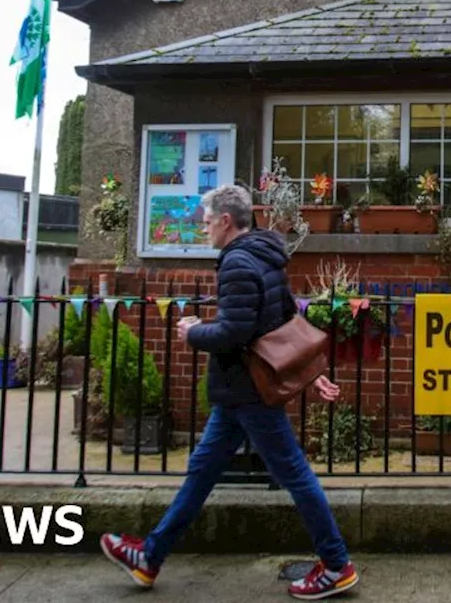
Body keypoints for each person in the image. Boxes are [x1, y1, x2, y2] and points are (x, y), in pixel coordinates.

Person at [101, 184, 359, 600]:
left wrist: (193, 332)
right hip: (238, 394)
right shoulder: (266, 255)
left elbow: (236, 331)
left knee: (293, 473)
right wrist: (311, 373)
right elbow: (284, 317)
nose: (204, 231)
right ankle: (150, 557)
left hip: (248, 392)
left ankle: (336, 564)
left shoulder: (238, 263)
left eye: (206, 223)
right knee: (202, 472)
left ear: (225, 221)